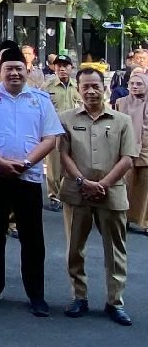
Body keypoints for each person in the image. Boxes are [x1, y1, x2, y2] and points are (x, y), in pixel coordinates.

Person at [0, 44, 63, 317]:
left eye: (19, 69)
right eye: (8, 69)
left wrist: (26, 163)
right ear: (0, 71)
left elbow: (50, 138)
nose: (14, 73)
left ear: (27, 71)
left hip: (29, 176)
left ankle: (36, 295)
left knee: (33, 239)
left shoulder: (40, 99)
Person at [58, 68, 137, 326]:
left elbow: (128, 158)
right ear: (78, 89)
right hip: (76, 192)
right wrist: (83, 181)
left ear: (103, 87)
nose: (90, 91)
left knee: (115, 250)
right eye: (85, 87)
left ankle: (115, 302)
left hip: (111, 193)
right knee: (74, 248)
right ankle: (79, 297)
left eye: (95, 86)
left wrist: (102, 183)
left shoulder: (122, 120)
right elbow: (63, 155)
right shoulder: (65, 119)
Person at [43, 56, 82, 213]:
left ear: (71, 68)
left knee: (73, 163)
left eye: (65, 66)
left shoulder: (77, 86)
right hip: (54, 130)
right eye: (58, 66)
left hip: (75, 131)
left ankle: (70, 193)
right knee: (54, 165)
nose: (62, 69)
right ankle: (54, 196)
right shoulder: (48, 86)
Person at [117, 71, 148, 233]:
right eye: (132, 84)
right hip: (126, 148)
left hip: (146, 150)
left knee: (145, 186)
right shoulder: (121, 102)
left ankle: (145, 221)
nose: (135, 87)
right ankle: (124, 218)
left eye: (139, 84)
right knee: (125, 185)